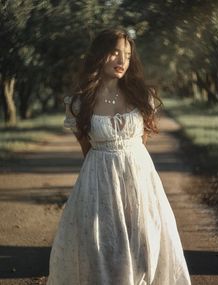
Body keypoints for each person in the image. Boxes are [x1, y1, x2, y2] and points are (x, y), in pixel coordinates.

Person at [46, 28, 191, 285]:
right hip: (98, 181)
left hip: (139, 180)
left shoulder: (140, 96)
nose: (122, 61)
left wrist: (129, 170)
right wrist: (98, 188)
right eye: (114, 53)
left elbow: (139, 144)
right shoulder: (79, 103)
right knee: (104, 251)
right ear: (99, 56)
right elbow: (86, 149)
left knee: (146, 246)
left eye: (126, 54)